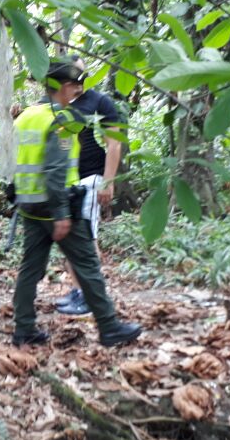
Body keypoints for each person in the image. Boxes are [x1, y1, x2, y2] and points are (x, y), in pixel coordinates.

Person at [11, 58, 142, 347]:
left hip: (30, 206)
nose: (77, 90)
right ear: (62, 86)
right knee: (87, 265)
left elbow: (10, 162)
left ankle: (23, 329)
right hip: (60, 206)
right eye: (73, 85)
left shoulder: (26, 116)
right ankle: (109, 327)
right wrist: (60, 214)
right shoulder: (64, 120)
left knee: (30, 269)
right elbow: (57, 170)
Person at [55, 64, 127, 316]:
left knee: (86, 238)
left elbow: (114, 144)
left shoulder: (99, 103)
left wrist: (108, 181)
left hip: (91, 176)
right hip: (68, 179)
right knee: (72, 238)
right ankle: (78, 290)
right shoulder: (61, 103)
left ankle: (90, 296)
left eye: (80, 74)